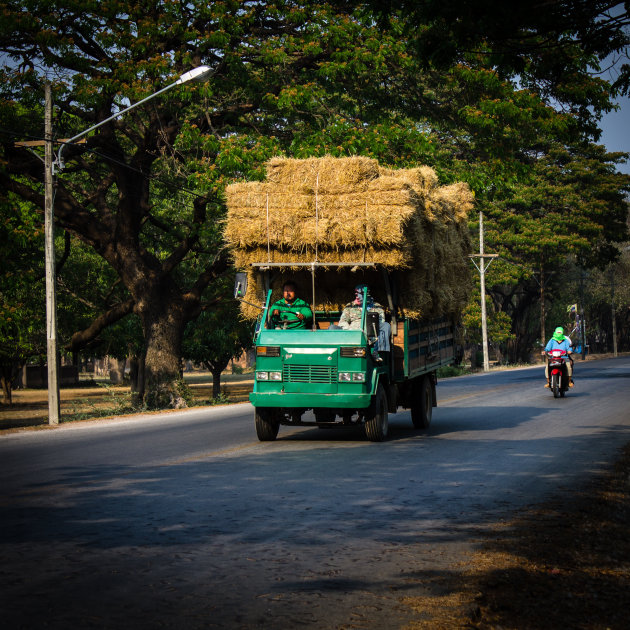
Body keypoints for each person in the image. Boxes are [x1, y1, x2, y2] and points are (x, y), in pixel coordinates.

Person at [335, 284, 391, 356]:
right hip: (352, 333)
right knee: (332, 328)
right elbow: (343, 321)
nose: (357, 296)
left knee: (386, 326)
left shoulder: (377, 306)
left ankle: (377, 353)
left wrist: (370, 331)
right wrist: (349, 330)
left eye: (359, 293)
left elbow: (380, 321)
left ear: (367, 294)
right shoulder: (350, 306)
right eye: (356, 293)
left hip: (370, 335)